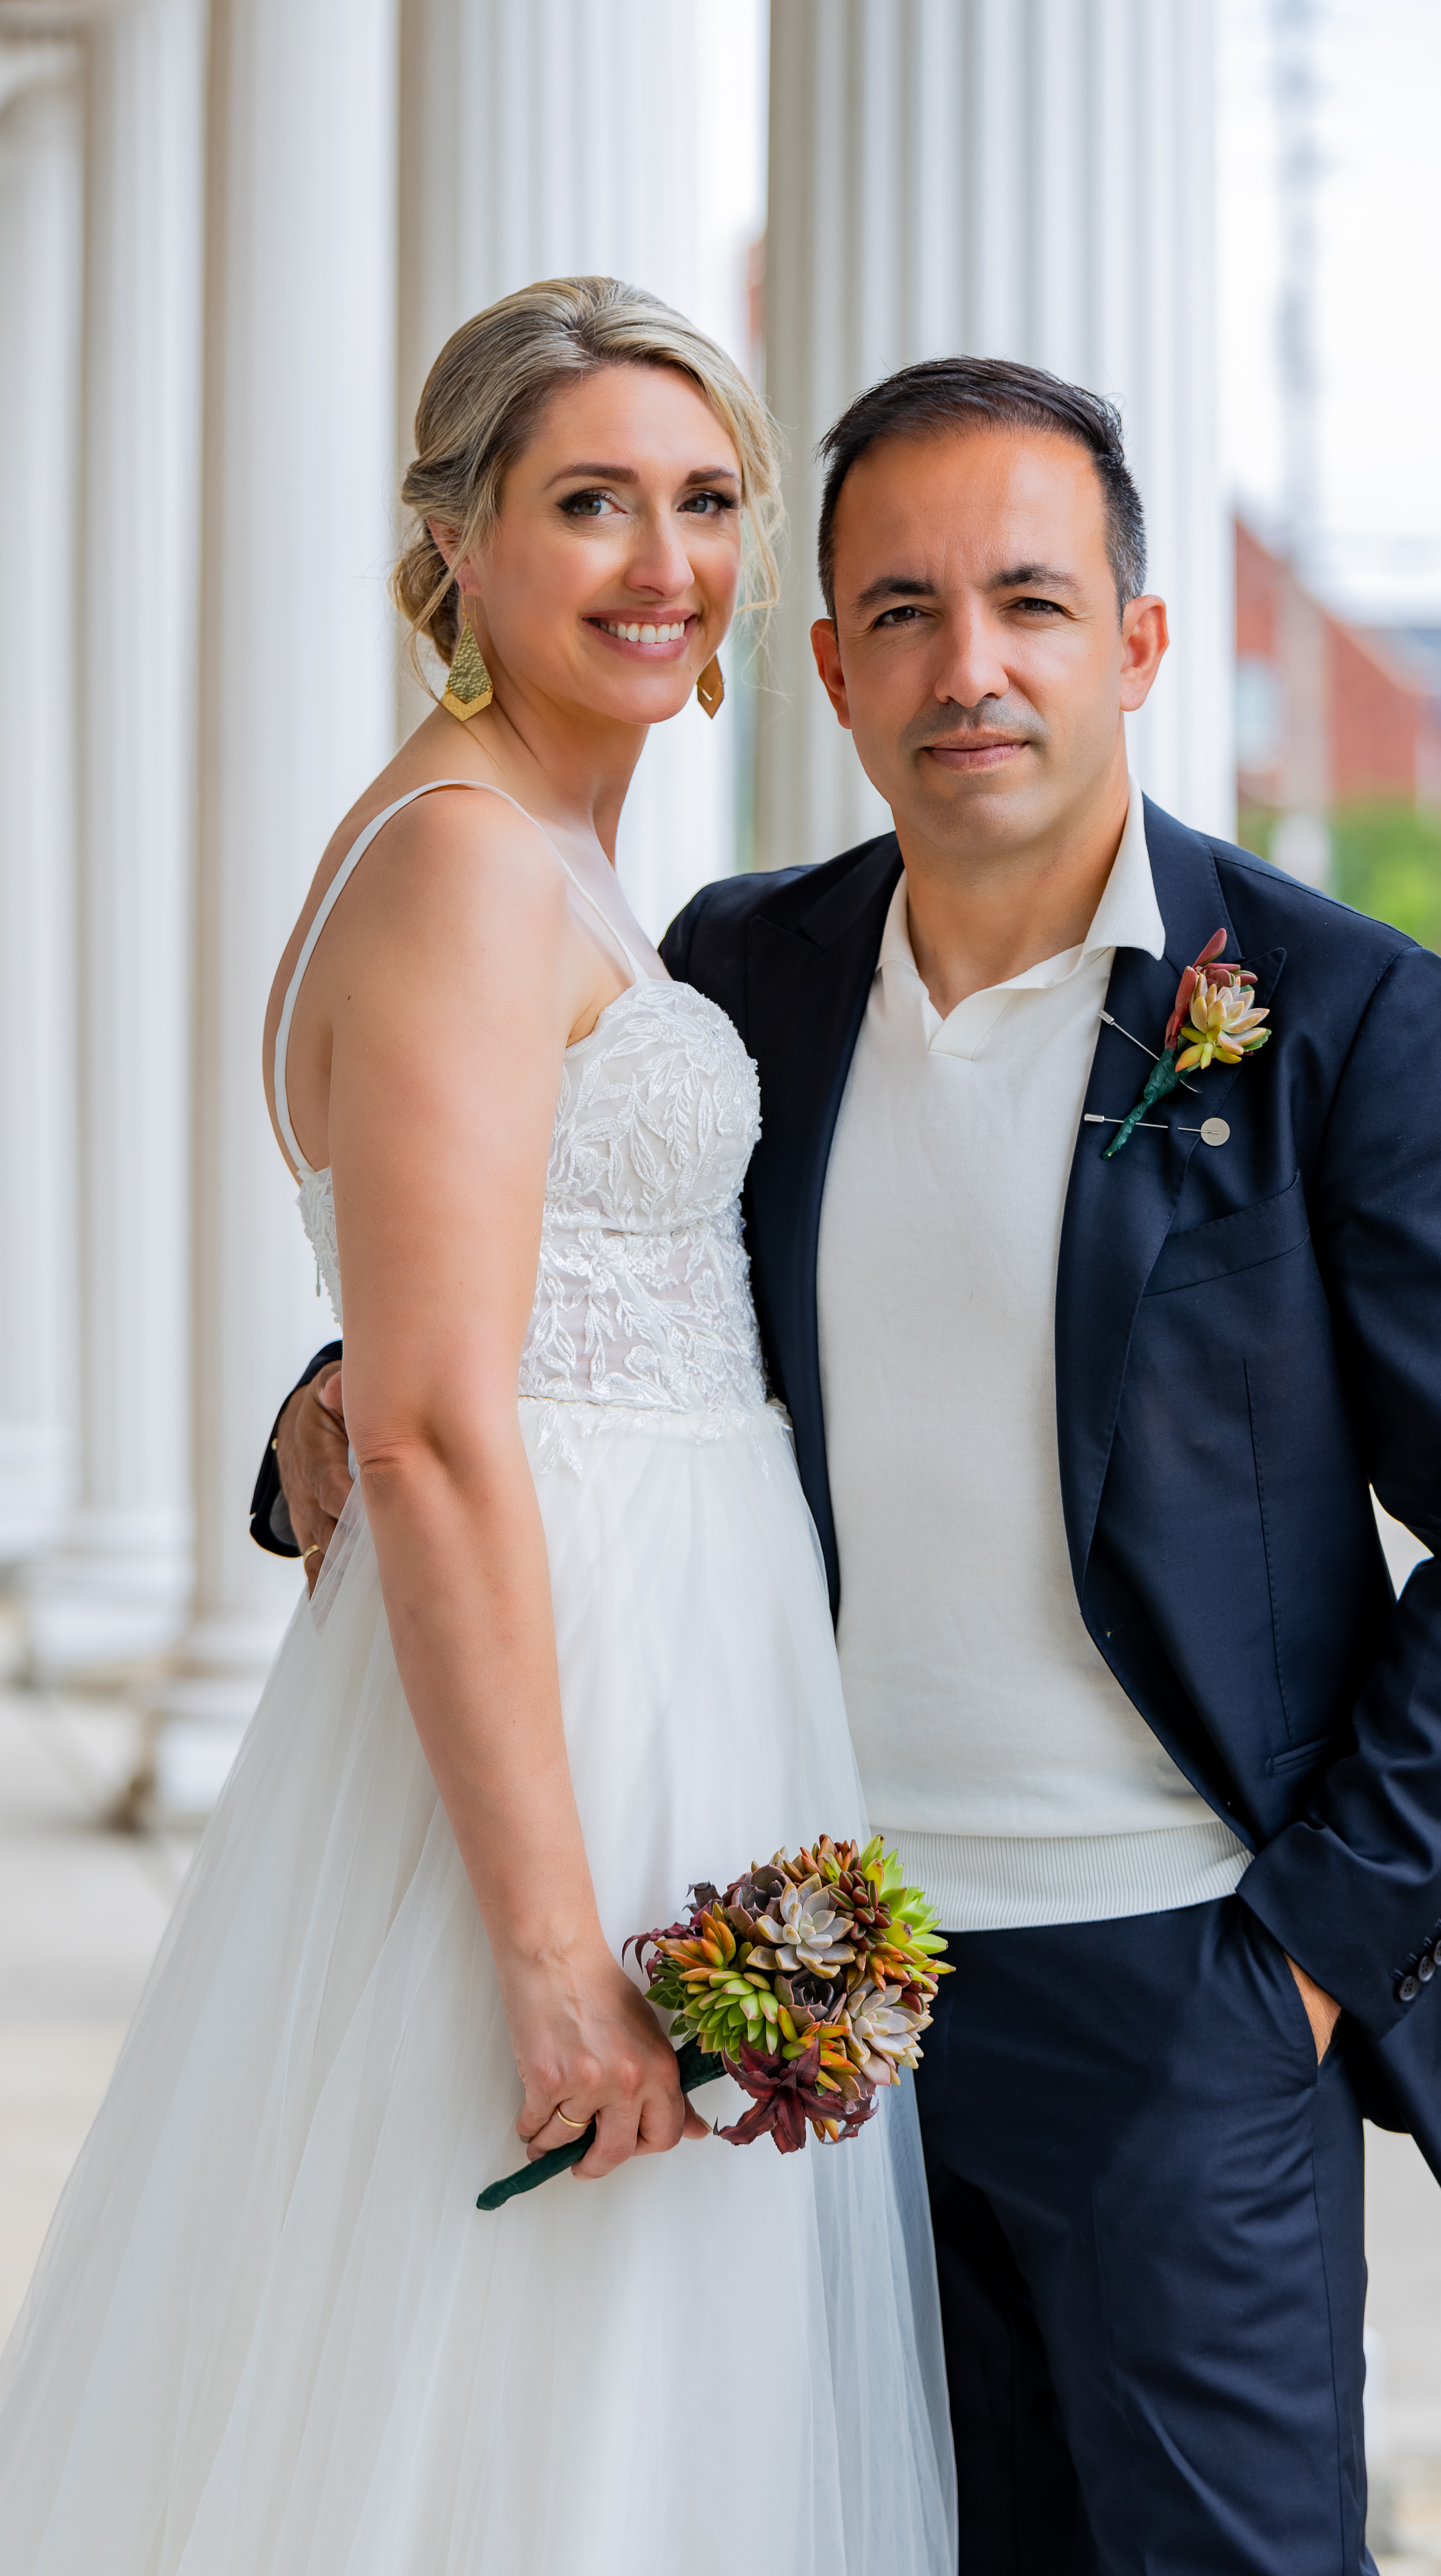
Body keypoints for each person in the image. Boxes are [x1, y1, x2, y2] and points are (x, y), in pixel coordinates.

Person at [265, 357, 1441, 2575]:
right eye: (898, 611)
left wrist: (1303, 1959)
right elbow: (572, 1291)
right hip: (797, 1989)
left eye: (1028, 602)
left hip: (1181, 1984)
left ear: (1139, 645)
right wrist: (335, 1402)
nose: (963, 667)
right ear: (822, 664)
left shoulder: (1335, 1013)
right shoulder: (739, 978)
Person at [0, 281, 956, 2576]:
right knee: (540, 2387)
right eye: (589, 503)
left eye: (708, 502)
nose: (664, 562)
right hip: (565, 1712)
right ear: (453, 546)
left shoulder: (552, 847)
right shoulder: (457, 860)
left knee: (632, 2395)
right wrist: (553, 1952)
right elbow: (427, 1431)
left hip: (675, 1663)